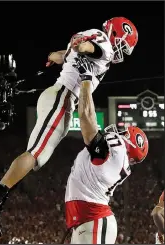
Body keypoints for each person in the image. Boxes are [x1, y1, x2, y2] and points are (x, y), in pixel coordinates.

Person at [0, 17, 138, 236]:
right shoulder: (104, 44)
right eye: (122, 44)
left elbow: (63, 55)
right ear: (115, 33)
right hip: (62, 97)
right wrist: (82, 46)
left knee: (39, 158)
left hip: (62, 98)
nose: (121, 51)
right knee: (35, 153)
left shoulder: (96, 39)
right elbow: (88, 47)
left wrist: (62, 55)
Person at [64, 56, 148, 244]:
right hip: (88, 221)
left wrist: (86, 78)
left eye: (124, 132)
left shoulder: (116, 151)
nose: (118, 131)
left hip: (94, 221)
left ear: (129, 143)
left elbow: (86, 117)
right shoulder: (118, 160)